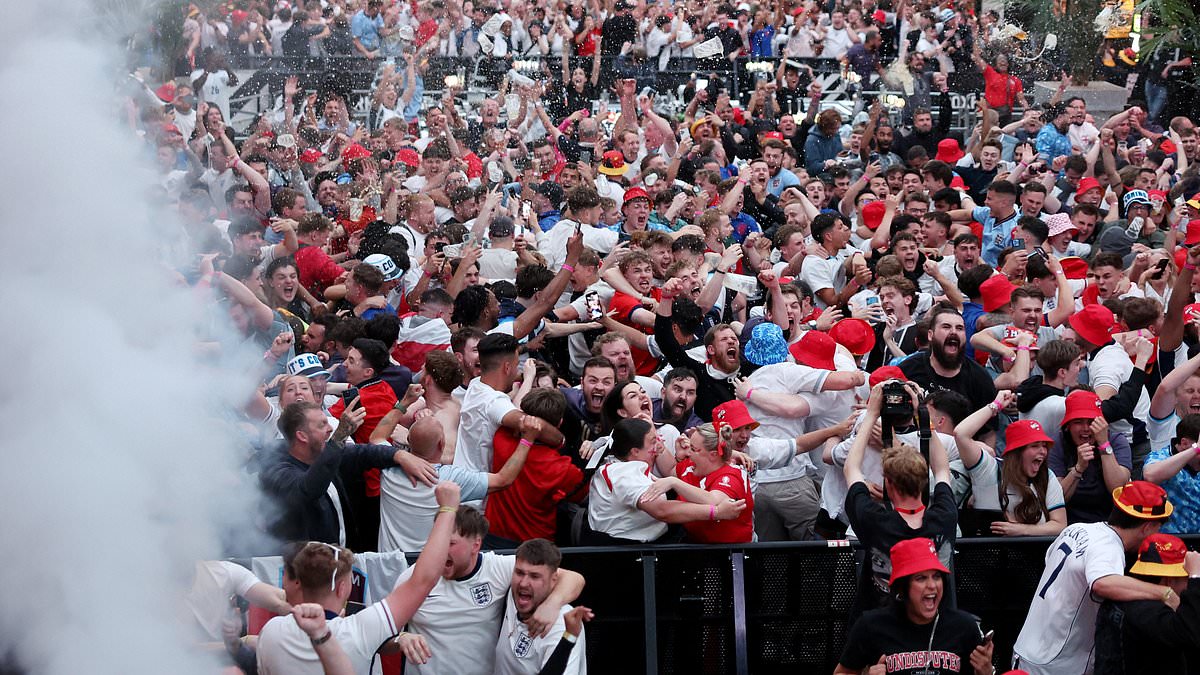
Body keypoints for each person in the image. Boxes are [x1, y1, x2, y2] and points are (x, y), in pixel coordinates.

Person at [255, 481, 461, 675]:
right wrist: (448, 510)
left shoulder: (271, 632)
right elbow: (423, 580)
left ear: (292, 582)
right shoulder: (358, 630)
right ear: (343, 588)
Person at [1012, 481, 1181, 675]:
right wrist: (1164, 593)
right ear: (1147, 526)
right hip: (1056, 664)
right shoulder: (1108, 546)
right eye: (1157, 527)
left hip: (1027, 650)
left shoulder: (1078, 528)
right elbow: (1102, 583)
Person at [391, 507, 586, 675]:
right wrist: (401, 638)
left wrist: (552, 605)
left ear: (476, 545)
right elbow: (381, 635)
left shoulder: (498, 569)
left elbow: (572, 578)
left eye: (450, 543)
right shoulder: (412, 579)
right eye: (436, 540)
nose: (440, 549)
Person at [844, 381, 959, 615]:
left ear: (889, 483)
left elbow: (852, 469)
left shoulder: (875, 521)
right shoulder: (944, 516)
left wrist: (871, 414)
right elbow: (942, 470)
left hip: (882, 632)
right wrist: (922, 414)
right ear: (923, 482)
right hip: (935, 633)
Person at [259, 401, 435, 546]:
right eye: (322, 424)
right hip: (303, 568)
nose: (330, 429)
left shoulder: (324, 453)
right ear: (302, 436)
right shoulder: (276, 469)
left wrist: (400, 455)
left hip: (340, 559)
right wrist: (339, 436)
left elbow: (364, 453)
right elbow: (308, 488)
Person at [834, 538, 995, 675]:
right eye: (921, 578)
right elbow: (841, 672)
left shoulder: (964, 627)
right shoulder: (871, 625)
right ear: (902, 588)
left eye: (937, 576)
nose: (932, 585)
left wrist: (987, 671)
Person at [585, 418, 747, 544]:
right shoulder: (624, 472)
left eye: (694, 449)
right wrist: (716, 513)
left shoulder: (730, 474)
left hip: (729, 554)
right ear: (635, 451)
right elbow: (661, 510)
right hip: (624, 553)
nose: (659, 446)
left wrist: (674, 479)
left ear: (712, 454)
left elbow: (714, 498)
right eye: (653, 441)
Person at [955, 392, 1068, 537]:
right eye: (1035, 446)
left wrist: (1021, 530)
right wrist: (995, 406)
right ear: (1016, 452)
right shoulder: (989, 470)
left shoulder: (1047, 476)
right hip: (988, 555)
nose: (1043, 452)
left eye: (1044, 446)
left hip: (1032, 556)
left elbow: (1060, 525)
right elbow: (961, 433)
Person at [1094, 533, 1200, 675]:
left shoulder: (1122, 599)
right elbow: (1190, 633)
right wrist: (1195, 577)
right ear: (1168, 580)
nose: (1188, 585)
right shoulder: (1150, 612)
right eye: (1185, 578)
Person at [493, 539, 592, 675]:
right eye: (520, 573)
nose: (523, 583)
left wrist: (568, 636)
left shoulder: (562, 625)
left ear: (554, 580)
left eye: (535, 576)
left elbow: (577, 578)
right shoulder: (513, 593)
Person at [1142, 414, 1200, 534]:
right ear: (1184, 443)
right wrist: (1196, 449)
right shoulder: (1161, 457)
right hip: (1167, 542)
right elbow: (1150, 475)